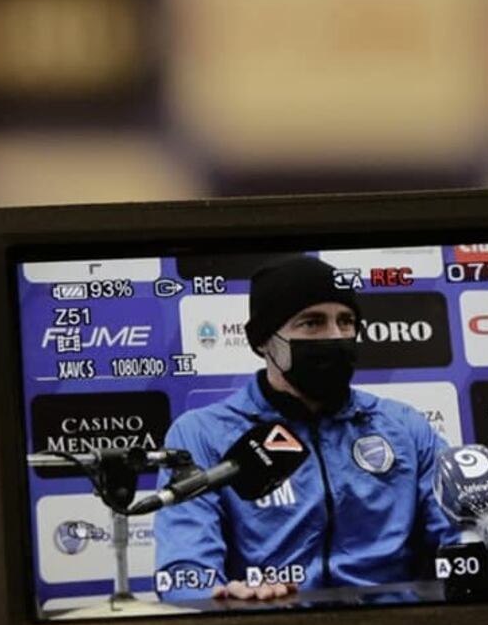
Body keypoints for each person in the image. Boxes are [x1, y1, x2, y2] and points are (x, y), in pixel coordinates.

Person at [154, 256, 459, 602]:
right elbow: (183, 574)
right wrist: (222, 596)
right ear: (263, 341)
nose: (335, 336)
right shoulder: (202, 434)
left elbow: (460, 543)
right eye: (312, 323)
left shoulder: (404, 426)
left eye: (346, 322)